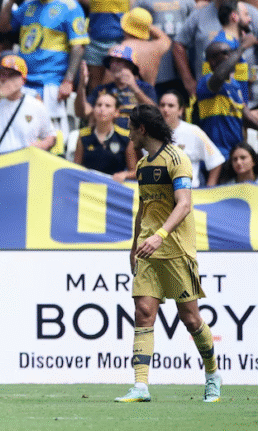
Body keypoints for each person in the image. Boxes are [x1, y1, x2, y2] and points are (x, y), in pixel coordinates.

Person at [115, 103, 221, 403]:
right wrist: (135, 245)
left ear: (142, 129)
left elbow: (184, 204)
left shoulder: (177, 159)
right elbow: (144, 208)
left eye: (130, 128)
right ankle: (140, 385)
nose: (129, 134)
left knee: (190, 319)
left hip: (175, 250)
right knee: (143, 312)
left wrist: (160, 236)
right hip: (147, 249)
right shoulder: (142, 165)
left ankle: (212, 375)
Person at [0, 0, 89, 138]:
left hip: (51, 84)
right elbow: (3, 27)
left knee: (49, 135)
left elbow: (78, 47)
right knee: (21, 133)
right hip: (23, 80)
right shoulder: (27, 5)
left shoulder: (70, 6)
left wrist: (68, 81)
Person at [173, 0, 258, 100]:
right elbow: (178, 44)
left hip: (246, 93)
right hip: (211, 94)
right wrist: (188, 81)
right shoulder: (199, 14)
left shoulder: (249, 12)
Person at [68, 0, 143, 92]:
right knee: (94, 87)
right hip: (94, 41)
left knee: (116, 85)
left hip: (119, 41)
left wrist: (134, 9)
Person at [133, 0, 197, 99]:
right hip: (157, 59)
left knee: (181, 98)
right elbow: (134, 26)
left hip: (182, 59)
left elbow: (194, 22)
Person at [0, 54, 56, 156]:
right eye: (3, 74)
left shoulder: (36, 105)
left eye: (12, 75)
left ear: (23, 80)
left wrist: (41, 145)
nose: (7, 79)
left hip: (21, 163)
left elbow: (51, 136)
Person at [196, 37, 258, 159]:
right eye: (226, 53)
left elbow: (247, 117)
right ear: (212, 61)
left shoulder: (235, 85)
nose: (232, 56)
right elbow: (219, 77)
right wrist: (242, 48)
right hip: (217, 155)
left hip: (235, 155)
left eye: (231, 52)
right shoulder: (206, 82)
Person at [76, 45, 157, 129]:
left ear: (130, 66)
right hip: (109, 134)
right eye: (111, 61)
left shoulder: (145, 88)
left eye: (118, 61)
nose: (114, 65)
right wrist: (82, 86)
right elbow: (81, 113)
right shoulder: (102, 89)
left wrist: (134, 88)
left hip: (135, 134)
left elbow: (154, 114)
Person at [159, 90, 224, 187]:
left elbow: (216, 161)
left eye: (170, 106)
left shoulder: (194, 131)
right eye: (162, 105)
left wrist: (209, 191)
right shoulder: (149, 133)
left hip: (189, 192)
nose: (165, 109)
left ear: (181, 110)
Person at [73, 92, 137, 182]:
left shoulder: (125, 137)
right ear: (93, 109)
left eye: (107, 106)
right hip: (89, 186)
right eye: (99, 105)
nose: (102, 109)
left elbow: (134, 172)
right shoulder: (83, 135)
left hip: (114, 187)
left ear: (116, 112)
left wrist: (125, 174)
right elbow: (75, 168)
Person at [118, 8, 172, 88]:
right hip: (149, 94)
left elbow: (108, 82)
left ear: (124, 26)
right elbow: (165, 39)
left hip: (129, 95)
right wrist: (144, 24)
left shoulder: (121, 49)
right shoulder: (155, 48)